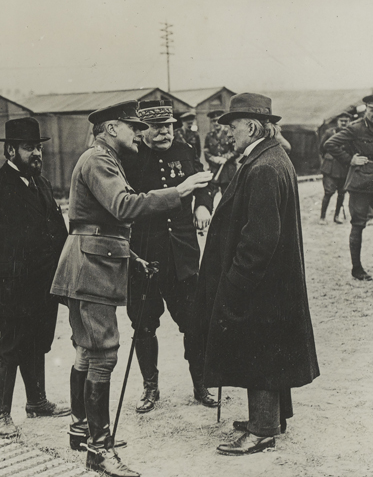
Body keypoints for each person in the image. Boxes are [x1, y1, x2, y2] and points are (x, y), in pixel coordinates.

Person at [50, 100, 212, 477]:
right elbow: (123, 207)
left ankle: (82, 430)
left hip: (94, 262)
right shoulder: (99, 160)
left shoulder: (103, 158)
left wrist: (133, 255)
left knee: (89, 352)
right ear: (110, 129)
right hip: (92, 267)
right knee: (103, 353)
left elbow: (104, 220)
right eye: (133, 128)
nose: (140, 133)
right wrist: (181, 191)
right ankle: (100, 449)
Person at [195, 93, 319, 456]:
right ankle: (270, 418)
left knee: (259, 350)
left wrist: (235, 283)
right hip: (273, 281)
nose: (228, 135)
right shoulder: (271, 157)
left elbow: (260, 239)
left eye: (232, 127)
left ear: (251, 127)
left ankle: (262, 429)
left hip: (260, 282)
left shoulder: (264, 166)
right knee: (269, 348)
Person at [0, 117, 71, 438]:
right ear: (10, 150)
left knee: (37, 342)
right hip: (11, 287)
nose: (36, 153)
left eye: (38, 147)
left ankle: (37, 401)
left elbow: (56, 230)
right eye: (29, 148)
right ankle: (2, 416)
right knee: (9, 347)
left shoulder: (42, 184)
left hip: (44, 284)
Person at [119, 100, 218, 415]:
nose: (164, 132)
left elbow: (203, 182)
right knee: (144, 324)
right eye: (156, 126)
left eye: (168, 125)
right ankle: (150, 387)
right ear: (142, 129)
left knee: (194, 321)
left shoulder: (184, 150)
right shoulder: (130, 158)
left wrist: (203, 204)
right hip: (145, 257)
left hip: (183, 255)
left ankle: (200, 384)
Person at [324, 94, 373, 281]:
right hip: (361, 183)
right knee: (358, 224)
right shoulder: (355, 128)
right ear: (366, 109)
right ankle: (357, 269)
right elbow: (330, 144)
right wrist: (350, 159)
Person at [319, 112, 352, 224]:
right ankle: (322, 217)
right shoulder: (329, 133)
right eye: (341, 121)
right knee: (328, 192)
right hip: (330, 168)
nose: (343, 123)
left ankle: (337, 216)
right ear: (337, 122)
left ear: (349, 122)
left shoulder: (351, 134)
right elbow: (321, 148)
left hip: (344, 168)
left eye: (346, 121)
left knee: (342, 193)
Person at [204, 109, 240, 196]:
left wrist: (227, 157)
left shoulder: (230, 133)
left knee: (228, 197)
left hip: (228, 172)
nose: (216, 123)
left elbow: (237, 151)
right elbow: (206, 152)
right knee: (210, 195)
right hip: (214, 171)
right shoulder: (209, 135)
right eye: (213, 121)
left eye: (218, 120)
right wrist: (214, 158)